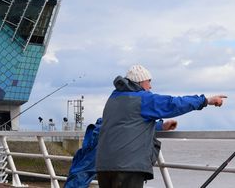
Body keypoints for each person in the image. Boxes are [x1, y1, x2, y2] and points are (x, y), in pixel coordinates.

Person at [96, 64, 227, 188]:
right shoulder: (143, 98)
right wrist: (206, 100)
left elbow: (127, 123)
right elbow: (174, 103)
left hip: (104, 166)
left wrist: (161, 126)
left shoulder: (113, 99)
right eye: (149, 81)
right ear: (140, 82)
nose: (150, 86)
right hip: (127, 167)